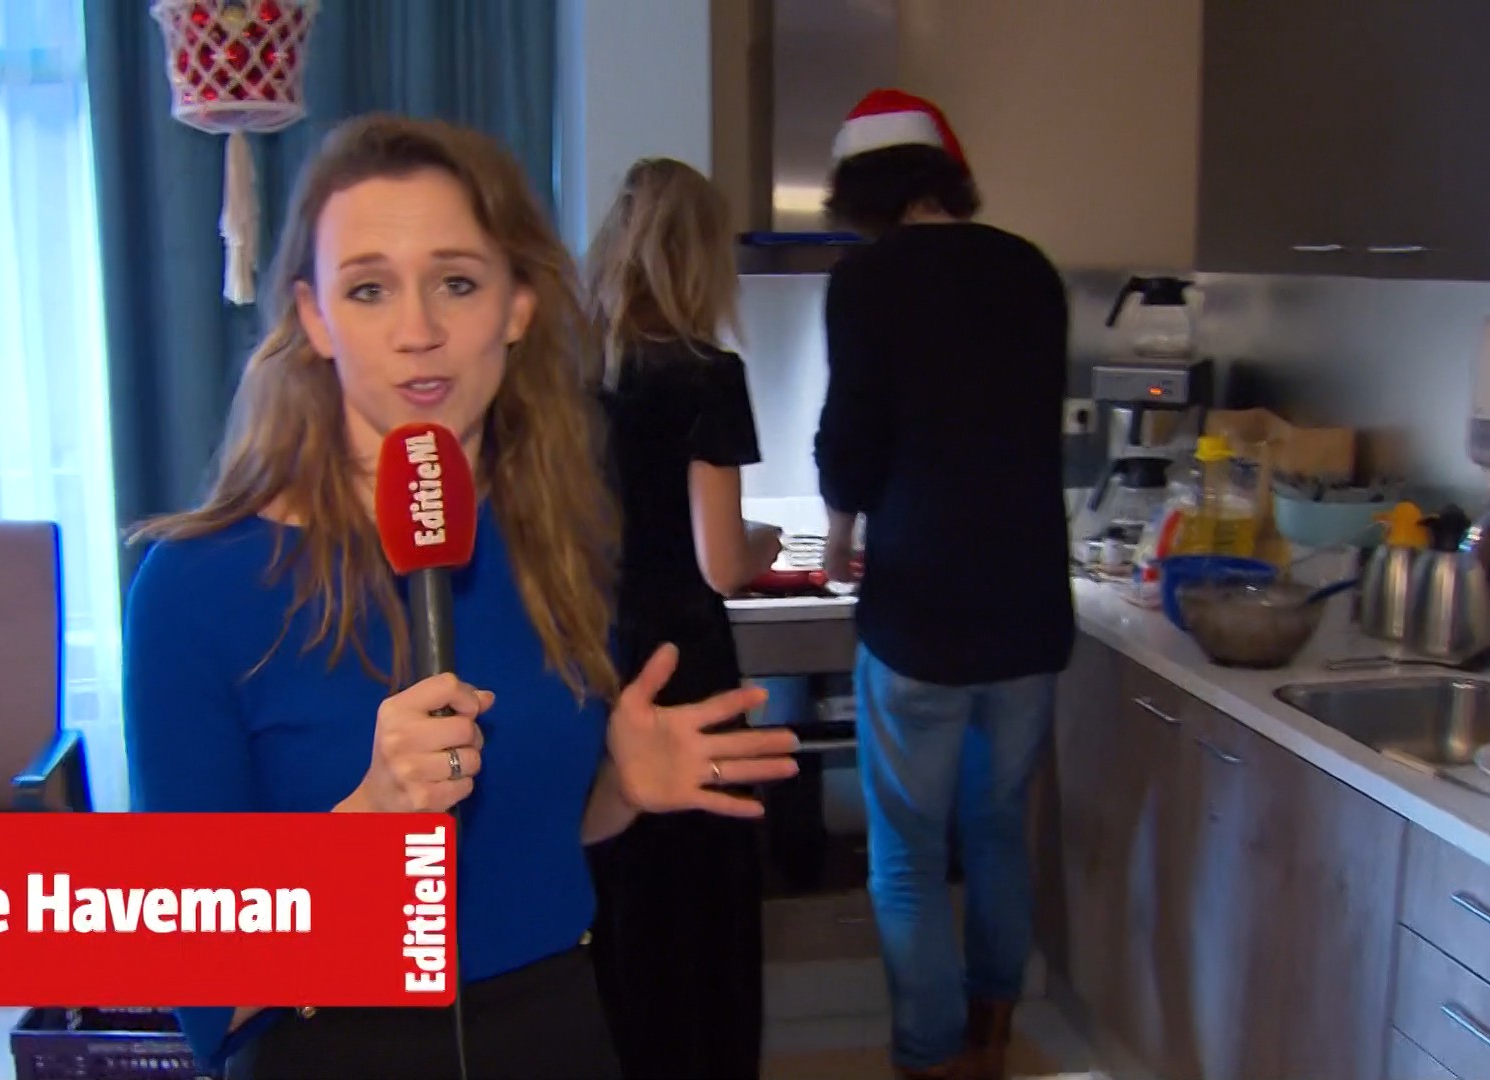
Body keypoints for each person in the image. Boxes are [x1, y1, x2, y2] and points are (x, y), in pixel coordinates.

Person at [122, 114, 802, 1080]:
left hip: (560, 1032)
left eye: (456, 282)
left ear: (517, 306)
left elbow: (531, 845)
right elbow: (201, 986)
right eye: (369, 289)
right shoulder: (196, 588)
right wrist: (369, 823)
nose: (418, 332)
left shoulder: (562, 546)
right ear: (314, 318)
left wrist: (618, 789)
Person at [813, 89, 1076, 1080]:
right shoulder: (1031, 270)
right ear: (943, 175)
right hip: (1028, 605)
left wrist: (840, 537)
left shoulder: (866, 281)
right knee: (999, 829)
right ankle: (992, 1037)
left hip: (921, 609)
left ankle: (930, 1060)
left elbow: (852, 435)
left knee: (909, 855)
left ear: (862, 191)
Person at [580, 157, 783, 1080]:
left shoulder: (572, 374)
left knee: (619, 884)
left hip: (593, 653)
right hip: (685, 663)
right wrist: (766, 542)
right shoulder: (708, 376)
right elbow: (721, 563)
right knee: (701, 899)